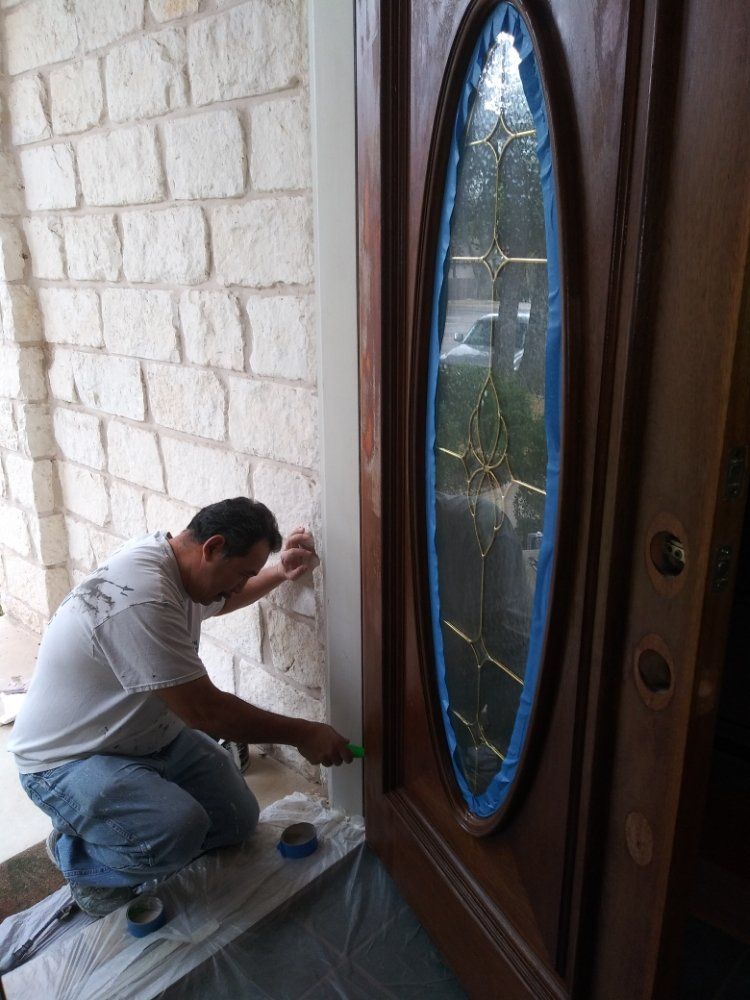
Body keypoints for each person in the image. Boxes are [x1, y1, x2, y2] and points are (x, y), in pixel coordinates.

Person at [8, 497, 353, 917]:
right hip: (68, 759)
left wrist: (278, 572)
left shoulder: (179, 564)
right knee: (175, 833)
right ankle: (78, 856)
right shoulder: (142, 598)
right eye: (242, 573)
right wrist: (305, 733)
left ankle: (124, 821)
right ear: (213, 547)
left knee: (236, 821)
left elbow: (222, 599)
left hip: (143, 737)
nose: (239, 586)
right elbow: (207, 713)